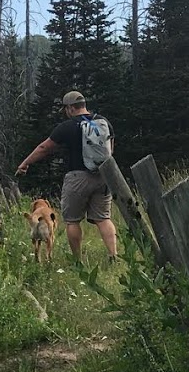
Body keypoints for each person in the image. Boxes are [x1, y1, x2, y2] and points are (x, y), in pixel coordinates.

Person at [15, 90, 120, 262]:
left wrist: (26, 163)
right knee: (103, 218)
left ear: (70, 108)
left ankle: (77, 260)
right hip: (102, 177)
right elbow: (111, 149)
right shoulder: (104, 122)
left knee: (72, 221)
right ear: (83, 105)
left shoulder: (68, 126)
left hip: (77, 177)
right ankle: (113, 255)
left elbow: (44, 148)